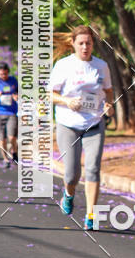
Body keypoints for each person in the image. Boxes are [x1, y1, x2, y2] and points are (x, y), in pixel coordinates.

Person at [49, 27, 114, 231]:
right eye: (81, 43)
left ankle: (91, 215)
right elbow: (50, 94)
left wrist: (109, 106)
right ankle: (68, 194)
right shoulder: (63, 65)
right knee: (71, 173)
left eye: (89, 43)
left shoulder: (101, 66)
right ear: (73, 44)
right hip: (68, 123)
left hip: (94, 123)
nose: (85, 47)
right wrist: (67, 101)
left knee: (93, 168)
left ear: (93, 44)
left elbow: (109, 92)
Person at [0, 62, 19, 168]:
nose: (4, 76)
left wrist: (16, 96)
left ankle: (14, 152)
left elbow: (18, 92)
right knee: (1, 138)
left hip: (11, 112)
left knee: (12, 137)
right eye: (1, 74)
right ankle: (5, 159)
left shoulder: (13, 80)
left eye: (5, 74)